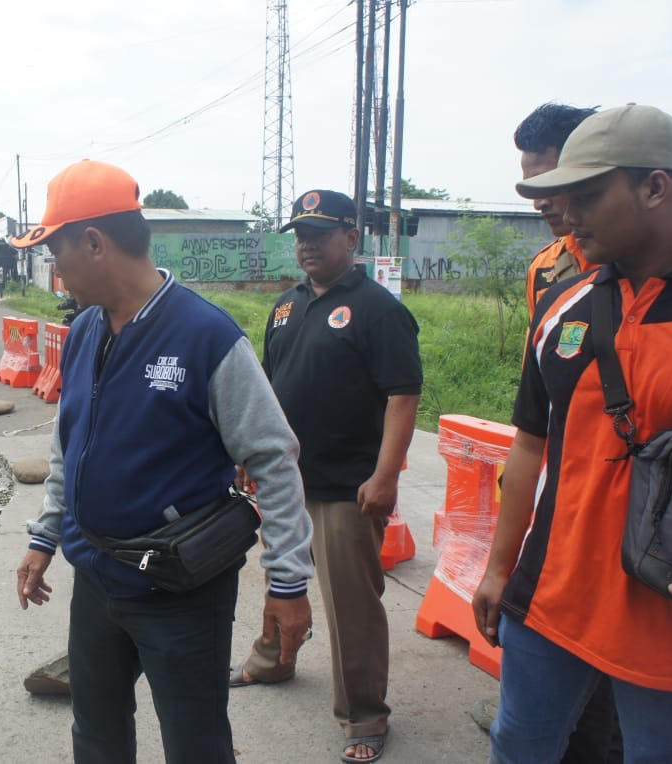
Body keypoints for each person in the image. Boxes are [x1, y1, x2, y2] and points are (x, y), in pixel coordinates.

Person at [13, 159, 314, 763]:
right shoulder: (83, 332)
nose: (56, 272)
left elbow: (274, 458)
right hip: (97, 576)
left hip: (181, 589)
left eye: (57, 253)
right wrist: (46, 536)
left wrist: (287, 581)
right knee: (95, 734)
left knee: (195, 743)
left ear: (95, 243)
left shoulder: (206, 336)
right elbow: (68, 443)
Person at [472, 103, 672, 763]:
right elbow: (531, 442)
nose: (564, 212)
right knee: (519, 744)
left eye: (586, 195)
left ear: (655, 187)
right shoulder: (565, 305)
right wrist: (498, 568)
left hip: (661, 618)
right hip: (551, 595)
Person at [229, 189, 422, 764]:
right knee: (278, 576)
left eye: (319, 232)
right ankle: (273, 661)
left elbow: (403, 397)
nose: (306, 243)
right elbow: (265, 389)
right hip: (285, 479)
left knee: (350, 605)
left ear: (351, 238)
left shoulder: (380, 310)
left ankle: (365, 715)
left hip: (347, 486)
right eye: (299, 234)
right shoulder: (285, 306)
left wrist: (385, 476)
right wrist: (246, 449)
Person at [516, 103, 600, 315]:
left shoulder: (645, 262)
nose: (539, 203)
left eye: (549, 183)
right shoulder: (545, 266)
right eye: (533, 189)